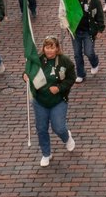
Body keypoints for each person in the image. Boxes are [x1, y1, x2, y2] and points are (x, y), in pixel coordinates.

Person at [31, 35, 76, 168]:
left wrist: (59, 88)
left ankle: (66, 137)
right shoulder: (37, 60)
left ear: (57, 48)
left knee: (59, 127)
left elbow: (71, 78)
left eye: (52, 48)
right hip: (40, 101)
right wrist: (25, 76)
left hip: (58, 101)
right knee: (41, 128)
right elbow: (28, 72)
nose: (49, 50)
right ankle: (46, 153)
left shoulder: (65, 61)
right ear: (43, 48)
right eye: (47, 47)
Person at [70, 0, 105, 82]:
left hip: (88, 31)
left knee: (89, 52)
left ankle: (95, 62)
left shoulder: (94, 0)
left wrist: (100, 29)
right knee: (77, 54)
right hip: (76, 31)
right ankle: (80, 74)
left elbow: (100, 15)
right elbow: (67, 12)